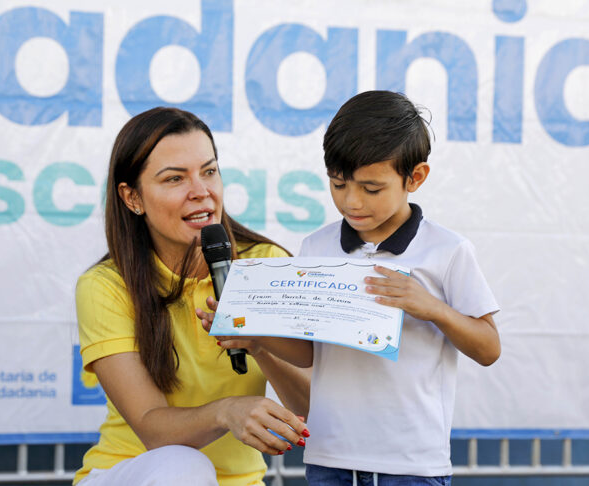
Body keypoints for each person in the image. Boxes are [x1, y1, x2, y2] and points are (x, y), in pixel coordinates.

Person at [207, 90, 501, 486]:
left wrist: (433, 308)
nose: (352, 202)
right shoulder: (317, 247)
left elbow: (489, 348)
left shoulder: (447, 251)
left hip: (412, 466)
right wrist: (255, 334)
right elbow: (308, 353)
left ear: (415, 178)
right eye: (338, 184)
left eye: (371, 189)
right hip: (329, 458)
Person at [73, 107, 310, 486]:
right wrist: (226, 412)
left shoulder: (267, 264)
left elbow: (312, 404)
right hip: (134, 474)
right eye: (175, 178)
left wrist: (260, 345)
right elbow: (152, 428)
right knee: (183, 466)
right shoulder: (105, 285)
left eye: (209, 171)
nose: (201, 192)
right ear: (132, 197)